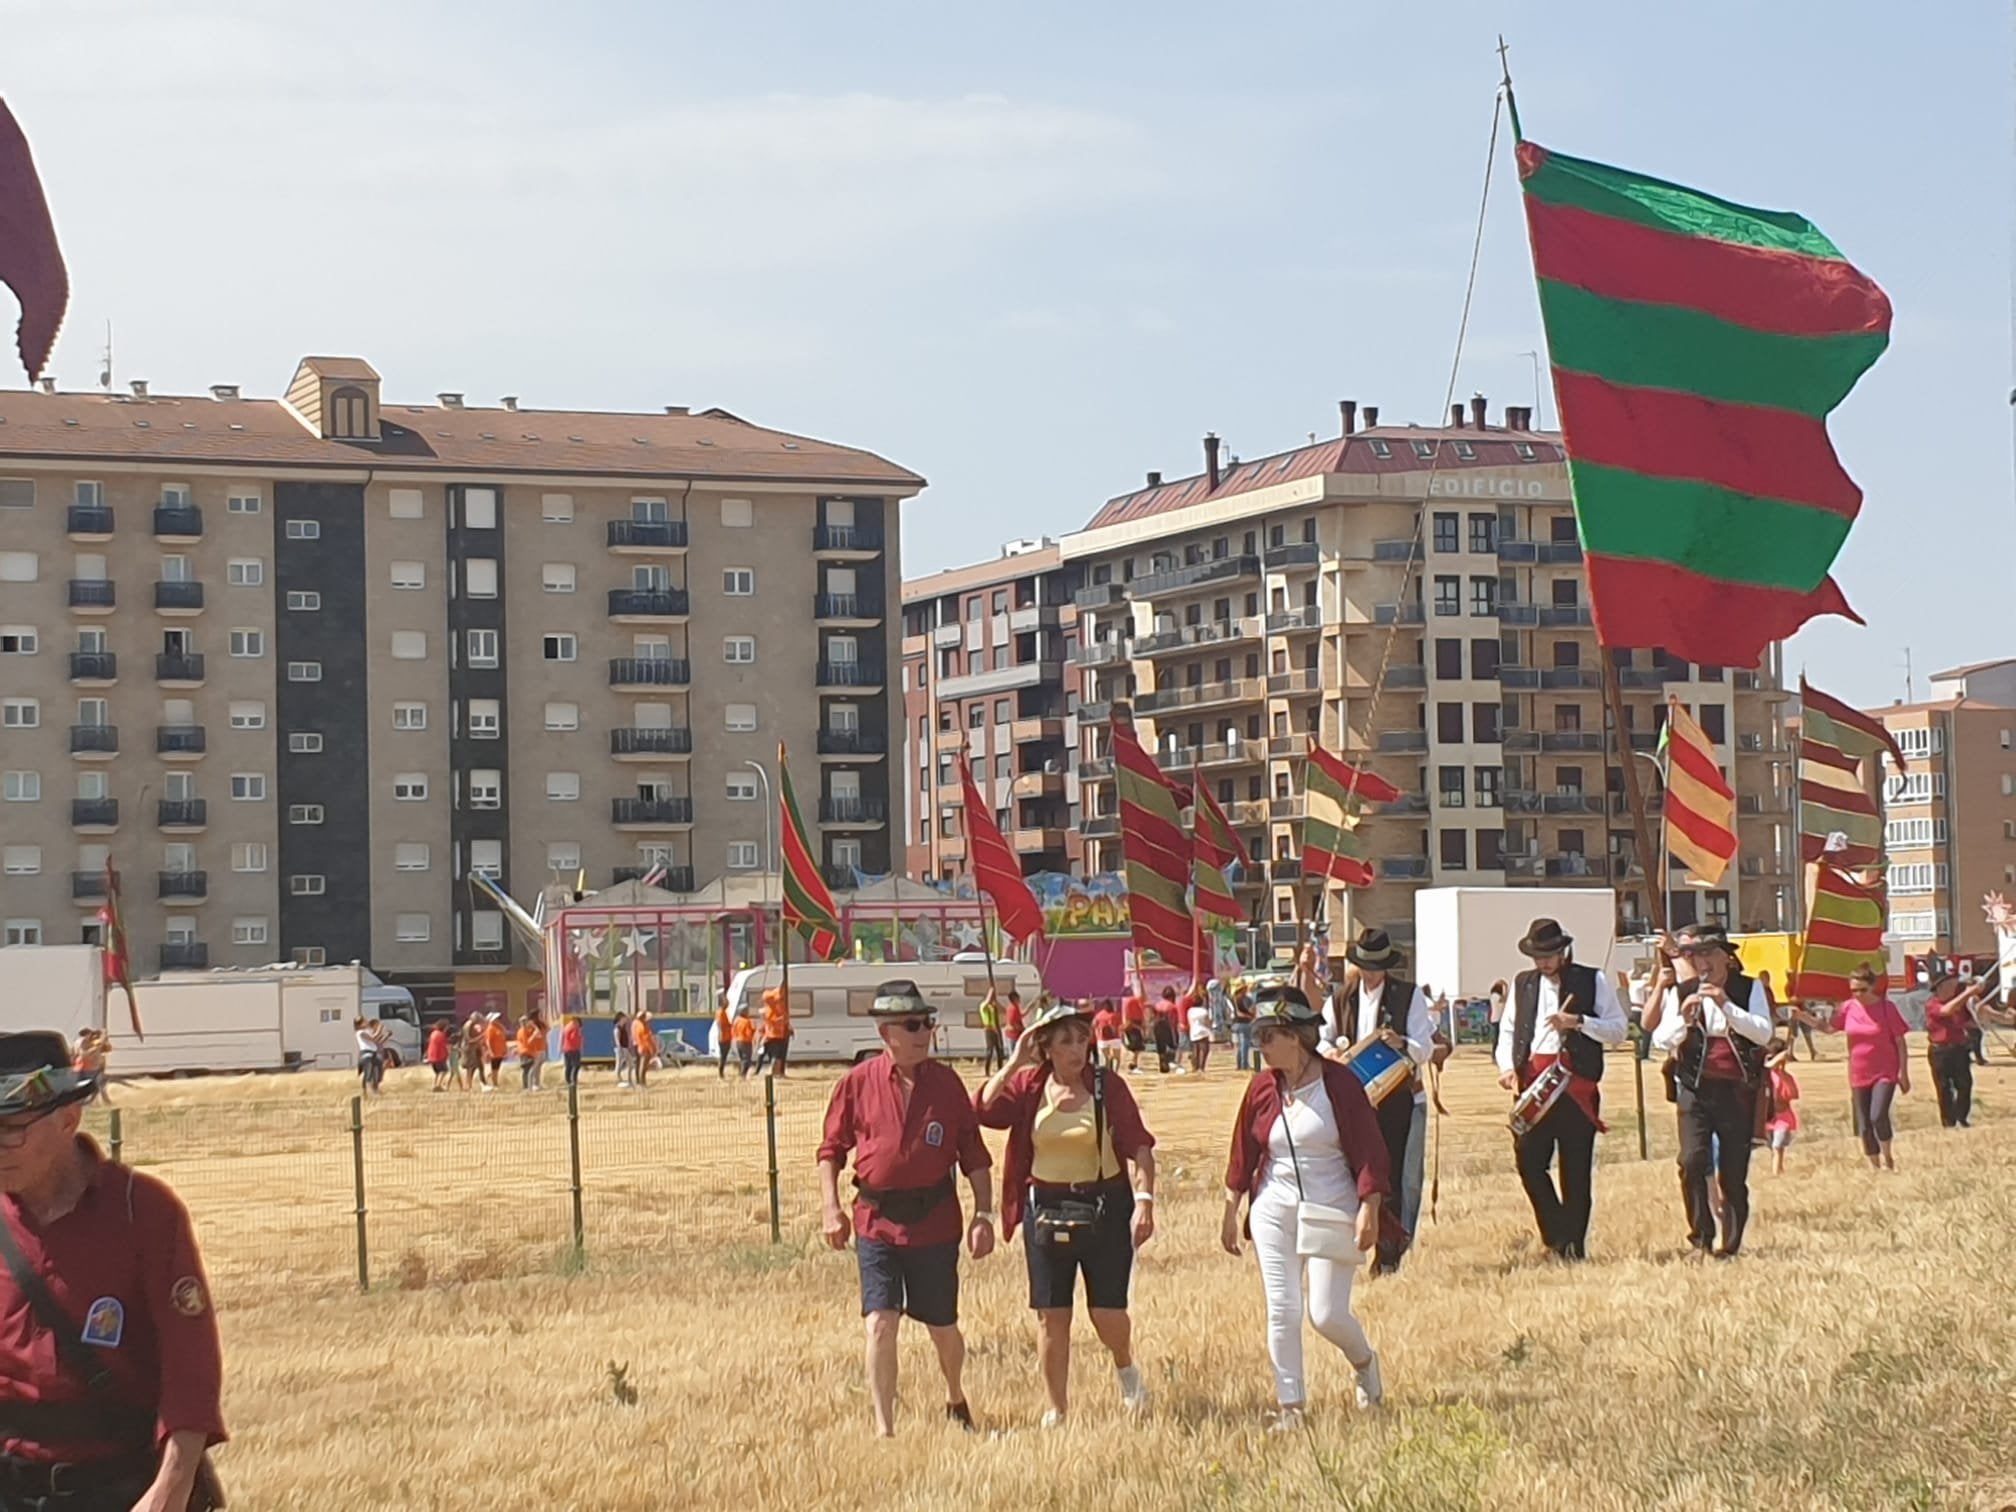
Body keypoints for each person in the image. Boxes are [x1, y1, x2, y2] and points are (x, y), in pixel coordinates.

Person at [0, 1031, 227, 1511]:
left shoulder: (142, 1211)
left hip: (121, 1487)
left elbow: (190, 1369)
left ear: (68, 1120)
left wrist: (170, 1490)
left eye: (12, 1128)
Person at [817, 981, 996, 1438]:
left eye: (928, 1023)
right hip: (876, 1221)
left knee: (942, 1326)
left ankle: (955, 1395)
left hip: (935, 1221)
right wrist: (831, 1209)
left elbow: (974, 1155)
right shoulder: (857, 1084)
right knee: (880, 1322)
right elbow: (831, 1150)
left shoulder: (947, 1084)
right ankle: (884, 1428)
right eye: (914, 1025)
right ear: (886, 1031)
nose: (924, 1033)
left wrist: (983, 1216)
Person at [976, 1000, 1155, 1426]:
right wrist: (1015, 1060)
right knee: (1051, 1314)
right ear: (1046, 1049)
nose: (1077, 1049)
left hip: (1105, 1206)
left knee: (1106, 1311)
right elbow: (983, 1108)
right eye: (1065, 1042)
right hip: (1047, 1209)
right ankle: (1057, 1408)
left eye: (1081, 1039)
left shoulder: (1106, 1086)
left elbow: (1140, 1145)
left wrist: (1146, 1201)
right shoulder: (1031, 1086)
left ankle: (1125, 1367)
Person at [1221, 984, 1390, 1431]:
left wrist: (1369, 1206)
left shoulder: (1340, 1085)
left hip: (1332, 1206)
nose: (1259, 1046)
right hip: (1274, 1206)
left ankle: (1365, 1363)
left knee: (1326, 1314)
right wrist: (1231, 1206)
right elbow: (1243, 1151)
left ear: (1295, 1036)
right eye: (1256, 1037)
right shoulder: (1262, 1087)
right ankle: (1290, 1407)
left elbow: (1371, 1151)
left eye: (1267, 1036)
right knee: (1283, 1307)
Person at [1496, 917, 1627, 1262]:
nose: (1544, 963)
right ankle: (1555, 1234)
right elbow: (1508, 1032)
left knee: (1576, 1170)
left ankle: (1573, 1248)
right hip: (1533, 1086)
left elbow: (1618, 1030)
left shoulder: (1592, 979)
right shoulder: (1523, 984)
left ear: (1563, 951)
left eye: (1550, 955)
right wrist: (1507, 1068)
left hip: (1575, 1085)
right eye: (1538, 956)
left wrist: (1580, 1022)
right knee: (1529, 1162)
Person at [1650, 925, 1774, 1257]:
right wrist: (1684, 1021)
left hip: (1737, 1091)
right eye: (1694, 955)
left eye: (1708, 954)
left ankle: (1730, 1245)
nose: (1701, 962)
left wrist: (1728, 1007)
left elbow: (1763, 1033)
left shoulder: (1749, 989)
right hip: (1695, 1089)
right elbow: (1659, 1039)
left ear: (1726, 957)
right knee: (1691, 1161)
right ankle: (1701, 1239)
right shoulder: (1681, 991)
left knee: (1733, 1171)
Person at [1328, 928, 1433, 1275]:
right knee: (1351, 1172)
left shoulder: (1408, 996)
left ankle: (1390, 1252)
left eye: (1376, 967)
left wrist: (1400, 1041)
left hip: (1395, 1098)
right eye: (1364, 966)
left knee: (1395, 1174)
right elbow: (1321, 1040)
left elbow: (1425, 1047)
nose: (1370, 973)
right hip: (1354, 1099)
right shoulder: (1342, 998)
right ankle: (1353, 1243)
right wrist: (1334, 1055)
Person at [1799, 965, 1910, 1170]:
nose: (1858, 994)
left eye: (1862, 990)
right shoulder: (1848, 1008)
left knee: (1878, 1115)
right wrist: (1803, 1017)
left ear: (1872, 987)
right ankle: (1875, 1165)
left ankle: (1888, 1157)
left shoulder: (1887, 1008)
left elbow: (1900, 1041)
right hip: (1859, 1072)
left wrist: (1903, 1072)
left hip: (1885, 1070)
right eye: (1854, 990)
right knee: (1864, 1123)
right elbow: (1829, 1028)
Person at [1923, 973, 2005, 1128]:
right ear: (1941, 987)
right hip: (1940, 1052)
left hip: (1959, 1049)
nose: (1955, 987)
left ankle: (1961, 1117)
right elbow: (1946, 1011)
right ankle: (1949, 1121)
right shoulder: (1932, 1004)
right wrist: (1968, 992)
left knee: (1965, 1084)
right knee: (1944, 1088)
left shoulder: (1960, 1005)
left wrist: (1996, 1020)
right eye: (1951, 984)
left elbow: (1969, 1021)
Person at [1764, 1040, 1800, 1176]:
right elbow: (1767, 1067)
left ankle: (1775, 1173)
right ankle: (1779, 1168)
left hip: (1783, 1116)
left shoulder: (1786, 1077)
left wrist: (1783, 1075)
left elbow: (1793, 1095)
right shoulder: (1765, 1075)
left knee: (1777, 1146)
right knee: (1773, 1146)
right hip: (1768, 1118)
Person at [758, 986, 792, 1078]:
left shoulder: (777, 1008)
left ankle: (778, 1072)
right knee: (775, 1056)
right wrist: (782, 1019)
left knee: (779, 1056)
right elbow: (773, 1021)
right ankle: (772, 1072)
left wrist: (788, 1026)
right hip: (773, 1036)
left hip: (779, 1035)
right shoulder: (769, 1010)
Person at [71, 1030, 110, 1106]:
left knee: (93, 1084)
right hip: (90, 1067)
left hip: (83, 1067)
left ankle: (103, 1100)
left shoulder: (77, 1042)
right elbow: (100, 1044)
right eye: (89, 1034)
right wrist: (104, 1034)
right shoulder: (86, 1043)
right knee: (95, 1085)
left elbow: (75, 1054)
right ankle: (86, 1101)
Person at [355, 1016, 387, 1096]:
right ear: (359, 1024)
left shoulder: (367, 1031)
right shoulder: (360, 1033)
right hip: (366, 1054)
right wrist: (379, 1029)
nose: (366, 1022)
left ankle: (374, 1089)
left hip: (373, 1054)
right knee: (368, 1073)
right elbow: (373, 1038)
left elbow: (376, 1040)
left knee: (379, 1069)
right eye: (364, 1021)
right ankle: (366, 1091)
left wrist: (385, 1035)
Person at [1151, 987, 1181, 1075]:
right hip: (1167, 1026)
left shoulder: (1157, 1004)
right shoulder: (1172, 1006)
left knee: (1161, 1048)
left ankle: (1163, 1066)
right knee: (1171, 1046)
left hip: (1156, 1026)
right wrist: (1175, 1032)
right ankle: (1170, 1064)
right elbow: (1173, 1020)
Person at [516, 1011, 548, 1092]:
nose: (526, 1023)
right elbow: (528, 1042)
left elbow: (544, 1031)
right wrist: (534, 1032)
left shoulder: (534, 1027)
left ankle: (535, 1084)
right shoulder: (523, 1030)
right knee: (531, 1069)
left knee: (537, 1068)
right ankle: (529, 1086)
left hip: (536, 1050)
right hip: (530, 1051)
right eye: (524, 1021)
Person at [1091, 1000, 1124, 1075]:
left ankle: (1108, 1074)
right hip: (1115, 1038)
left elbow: (1093, 1025)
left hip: (1103, 1039)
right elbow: (1120, 1026)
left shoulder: (1099, 1015)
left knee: (1106, 1058)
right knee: (1117, 1058)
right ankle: (1115, 1073)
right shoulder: (1115, 1015)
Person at [978, 990, 1007, 1075]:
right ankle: (987, 1071)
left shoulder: (993, 1007)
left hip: (996, 1030)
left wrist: (996, 1002)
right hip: (989, 1030)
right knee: (990, 1051)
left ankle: (1000, 1069)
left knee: (999, 1050)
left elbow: (1004, 1010)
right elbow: (987, 1001)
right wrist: (991, 991)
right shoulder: (983, 1006)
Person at [1187, 987, 1214, 1075]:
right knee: (1204, 1050)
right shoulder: (1203, 1011)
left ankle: (1195, 1066)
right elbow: (1207, 1022)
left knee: (1196, 1050)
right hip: (1203, 1031)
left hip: (1193, 1031)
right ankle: (1201, 1067)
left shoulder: (1190, 1011)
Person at [1231, 979, 1257, 1071]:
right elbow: (1250, 1010)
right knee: (1244, 1045)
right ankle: (1244, 1065)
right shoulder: (1246, 999)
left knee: (1239, 1046)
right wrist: (1253, 1015)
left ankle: (1239, 1065)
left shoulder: (1233, 998)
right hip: (1244, 1023)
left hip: (1235, 1023)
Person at [1120, 990, 1147, 1073]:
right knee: (1136, 1047)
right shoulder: (1132, 1001)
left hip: (1130, 1025)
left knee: (1135, 1047)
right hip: (1133, 1026)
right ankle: (1132, 1064)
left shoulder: (1125, 1001)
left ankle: (1133, 1064)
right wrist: (1139, 1027)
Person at [482, 1012, 508, 1091]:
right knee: (494, 1069)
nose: (498, 1020)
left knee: (497, 1069)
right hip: (494, 1051)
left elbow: (504, 1036)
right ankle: (494, 1084)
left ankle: (495, 1082)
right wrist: (490, 1051)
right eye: (496, 1019)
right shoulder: (490, 1028)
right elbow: (488, 1041)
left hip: (499, 1051)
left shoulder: (498, 1027)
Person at [458, 1016, 485, 1093]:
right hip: (468, 1049)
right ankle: (468, 1086)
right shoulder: (469, 1025)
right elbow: (469, 1040)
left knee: (470, 1068)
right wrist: (480, 1037)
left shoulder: (469, 1025)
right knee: (469, 1068)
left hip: (469, 1048)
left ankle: (468, 1085)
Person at [631, 1013, 657, 1090]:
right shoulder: (641, 1026)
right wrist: (650, 1047)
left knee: (642, 1065)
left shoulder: (639, 1024)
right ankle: (641, 1083)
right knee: (643, 1065)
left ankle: (641, 1082)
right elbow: (644, 1038)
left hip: (642, 1046)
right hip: (643, 1047)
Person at [425, 1020, 452, 1092]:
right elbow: (445, 1046)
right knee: (444, 1071)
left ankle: (434, 1084)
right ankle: (438, 1085)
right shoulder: (441, 1035)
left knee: (437, 1072)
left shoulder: (433, 1033)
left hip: (432, 1056)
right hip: (439, 1057)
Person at [560, 1013, 585, 1087]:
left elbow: (562, 1037)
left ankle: (568, 1081)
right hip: (574, 1049)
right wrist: (580, 1043)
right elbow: (574, 1038)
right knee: (576, 1065)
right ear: (576, 1021)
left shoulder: (566, 1027)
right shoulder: (575, 1028)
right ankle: (573, 1080)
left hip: (566, 1049)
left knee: (568, 1066)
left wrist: (561, 1047)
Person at [731, 1010, 757, 1078]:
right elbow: (748, 1033)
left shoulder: (736, 1020)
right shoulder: (747, 1021)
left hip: (738, 1041)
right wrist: (753, 1030)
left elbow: (733, 1031)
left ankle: (740, 1073)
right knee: (747, 1059)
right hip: (746, 1041)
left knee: (742, 1058)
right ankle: (743, 1074)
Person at [613, 1009, 635, 1088]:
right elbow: (617, 1040)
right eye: (624, 1018)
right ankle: (618, 1080)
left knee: (631, 1064)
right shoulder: (617, 1028)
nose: (625, 1020)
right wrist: (620, 1050)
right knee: (618, 1065)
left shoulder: (623, 1028)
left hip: (625, 1048)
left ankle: (629, 1080)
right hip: (620, 1049)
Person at [714, 997, 734, 1080]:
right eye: (727, 1002)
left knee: (724, 1056)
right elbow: (720, 1024)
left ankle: (721, 1073)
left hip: (726, 1036)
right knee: (723, 1056)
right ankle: (720, 1074)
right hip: (724, 1038)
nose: (728, 1003)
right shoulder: (721, 1012)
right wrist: (722, 1033)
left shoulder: (723, 1012)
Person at [1004, 990, 1026, 1055]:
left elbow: (1020, 1016)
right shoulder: (1012, 1009)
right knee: (1013, 1055)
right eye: (1018, 997)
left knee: (1016, 1054)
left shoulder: (1016, 1007)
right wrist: (1023, 1029)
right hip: (1012, 1035)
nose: (1019, 998)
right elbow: (1012, 1024)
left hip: (1016, 1035)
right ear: (1014, 998)